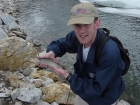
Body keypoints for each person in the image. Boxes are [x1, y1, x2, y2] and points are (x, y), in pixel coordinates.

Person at [36, 2, 125, 105]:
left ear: (97, 24)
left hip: (104, 100)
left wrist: (68, 77)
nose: (82, 31)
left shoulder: (110, 53)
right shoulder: (77, 37)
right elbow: (62, 44)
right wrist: (52, 52)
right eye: (77, 25)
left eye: (87, 24)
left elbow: (96, 89)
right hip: (82, 92)